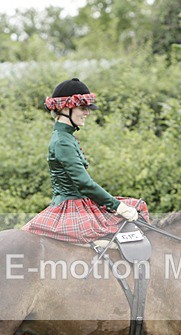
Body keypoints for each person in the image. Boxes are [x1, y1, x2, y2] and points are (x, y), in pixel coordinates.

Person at [22, 78, 147, 243]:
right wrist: (118, 206)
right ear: (66, 108)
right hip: (70, 206)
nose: (87, 113)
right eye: (82, 108)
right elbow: (84, 183)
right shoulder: (62, 141)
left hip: (82, 202)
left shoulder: (67, 136)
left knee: (137, 206)